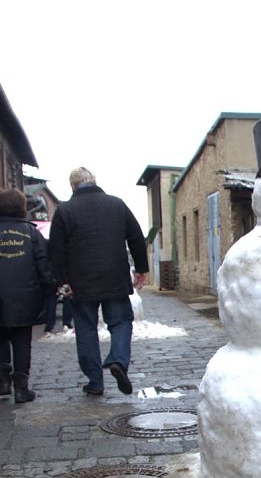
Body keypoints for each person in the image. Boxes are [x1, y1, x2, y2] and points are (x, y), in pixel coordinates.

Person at [49, 167, 149, 396]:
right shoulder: (116, 204)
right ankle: (118, 361)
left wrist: (62, 280)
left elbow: (56, 250)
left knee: (85, 330)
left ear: (73, 186)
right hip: (114, 277)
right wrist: (141, 269)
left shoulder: (64, 211)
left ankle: (95, 381)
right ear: (95, 182)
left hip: (80, 281)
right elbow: (136, 236)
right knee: (121, 322)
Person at [0, 188, 56, 403]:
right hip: (25, 295)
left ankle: (3, 381)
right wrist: (50, 287)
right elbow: (43, 264)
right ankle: (21, 388)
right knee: (22, 340)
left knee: (0, 338)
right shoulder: (31, 233)